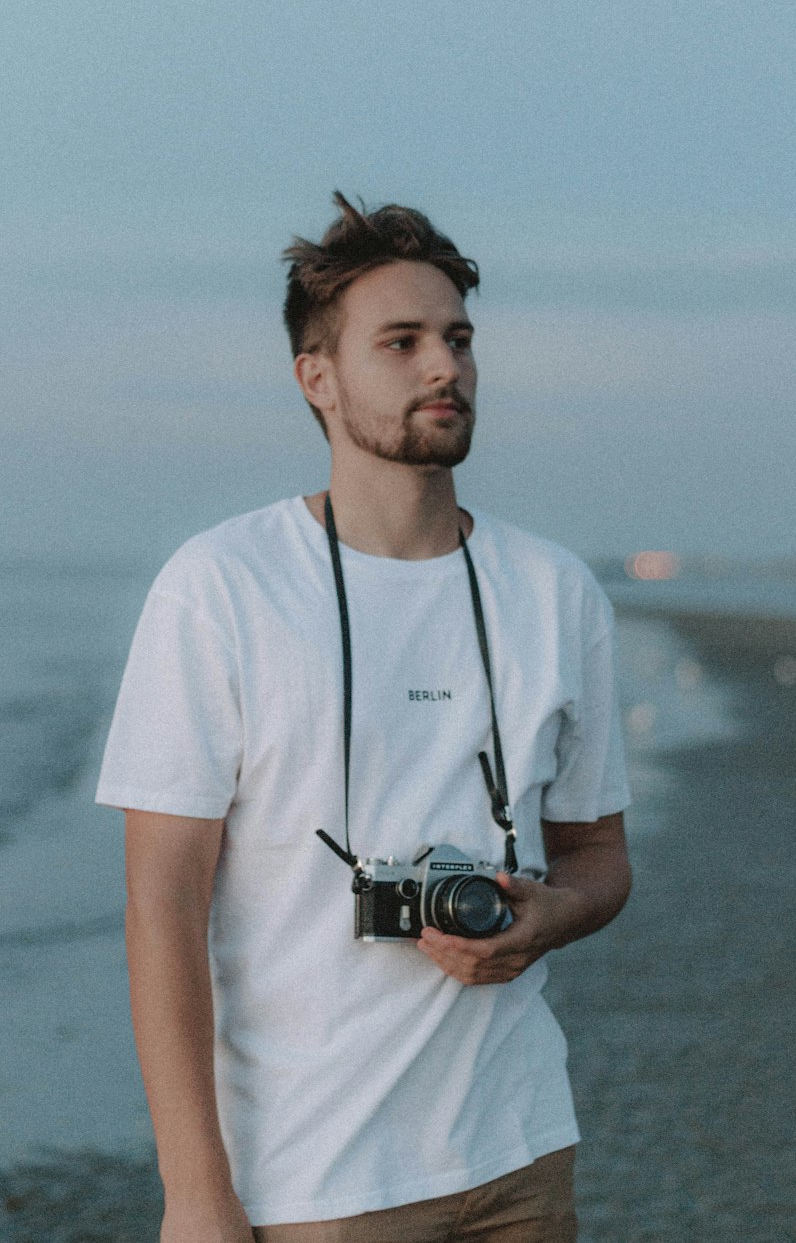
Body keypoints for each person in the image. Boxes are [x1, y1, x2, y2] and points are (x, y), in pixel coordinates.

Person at [96, 194, 632, 1243]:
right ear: (318, 378)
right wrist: (195, 1193)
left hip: (519, 1149)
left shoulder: (554, 591)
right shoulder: (222, 587)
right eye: (402, 342)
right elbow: (160, 910)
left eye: (459, 339)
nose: (446, 367)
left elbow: (600, 854)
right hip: (316, 1177)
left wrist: (547, 920)